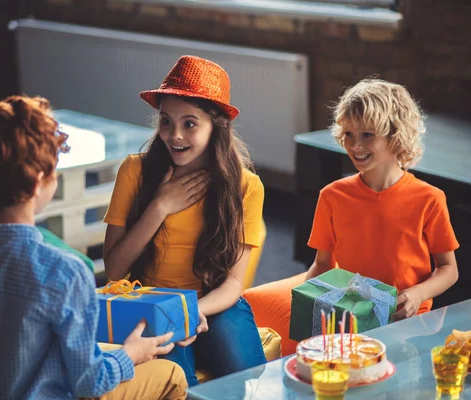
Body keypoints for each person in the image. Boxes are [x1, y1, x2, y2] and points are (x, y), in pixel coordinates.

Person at [0, 95, 187, 399]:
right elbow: (89, 381)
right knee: (173, 374)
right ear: (39, 181)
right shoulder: (65, 272)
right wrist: (131, 354)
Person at [103, 55, 267, 387]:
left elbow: (234, 284)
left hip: (212, 301)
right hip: (150, 300)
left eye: (189, 123)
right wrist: (159, 207)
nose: (174, 135)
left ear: (216, 126)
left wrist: (193, 312)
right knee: (177, 381)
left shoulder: (246, 186)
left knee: (248, 372)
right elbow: (114, 270)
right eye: (166, 121)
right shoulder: (134, 171)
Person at [305, 78, 459, 320]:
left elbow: (449, 269)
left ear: (396, 136)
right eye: (348, 133)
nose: (355, 145)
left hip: (408, 319)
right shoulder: (331, 196)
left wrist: (419, 294)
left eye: (367, 134)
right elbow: (323, 264)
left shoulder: (430, 198)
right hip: (351, 317)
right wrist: (308, 303)